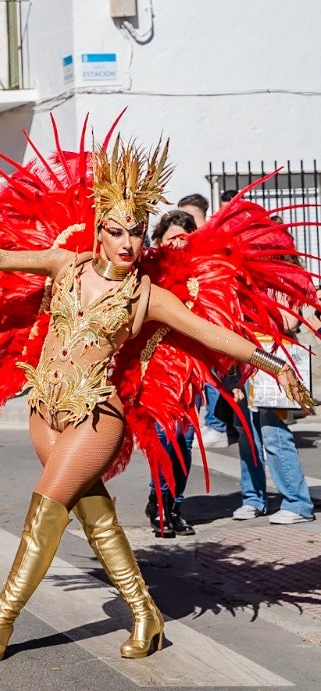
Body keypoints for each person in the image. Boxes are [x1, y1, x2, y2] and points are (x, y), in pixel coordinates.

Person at [0, 131, 313, 663]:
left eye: (136, 234)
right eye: (116, 231)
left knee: (45, 510)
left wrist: (272, 362)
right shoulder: (64, 265)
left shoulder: (150, 296)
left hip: (96, 414)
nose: (126, 243)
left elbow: (209, 333)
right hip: (44, 408)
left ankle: (0, 623)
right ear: (99, 231)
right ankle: (146, 615)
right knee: (94, 516)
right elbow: (1, 257)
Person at [232, 306, 315, 526]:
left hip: (273, 359)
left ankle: (297, 503)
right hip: (243, 359)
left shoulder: (281, 278)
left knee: (274, 434)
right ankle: (253, 499)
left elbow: (290, 322)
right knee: (246, 435)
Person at [144, 210, 199, 537]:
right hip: (157, 366)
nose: (178, 243)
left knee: (186, 440)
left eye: (183, 238)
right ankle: (160, 504)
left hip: (192, 368)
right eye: (171, 238)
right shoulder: (150, 272)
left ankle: (176, 505)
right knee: (164, 438)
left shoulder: (202, 273)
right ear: (159, 241)